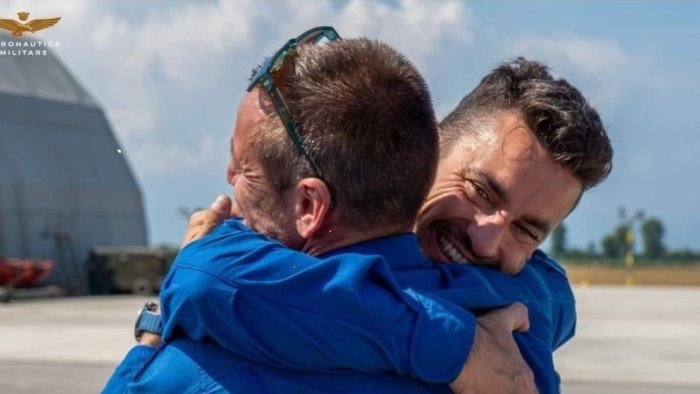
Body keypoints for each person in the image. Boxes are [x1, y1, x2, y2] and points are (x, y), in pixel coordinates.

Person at [105, 27, 612, 394]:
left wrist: (152, 337)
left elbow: (204, 279)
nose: (485, 240)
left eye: (527, 230)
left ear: (310, 204)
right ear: (429, 147)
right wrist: (453, 346)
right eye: (482, 191)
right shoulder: (517, 328)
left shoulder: (224, 333)